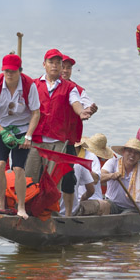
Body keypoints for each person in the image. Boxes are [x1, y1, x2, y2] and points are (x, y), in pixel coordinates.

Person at [25, 48, 95, 215]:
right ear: (44, 64)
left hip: (60, 141)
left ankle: (51, 215)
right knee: (29, 178)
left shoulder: (71, 88)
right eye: (52, 63)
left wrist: (82, 112)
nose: (57, 67)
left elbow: (76, 102)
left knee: (54, 183)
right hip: (36, 139)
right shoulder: (33, 84)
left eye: (59, 64)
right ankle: (27, 211)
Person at [0, 53, 41, 218]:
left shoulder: (29, 85)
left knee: (18, 168)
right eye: (6, 71)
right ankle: (1, 203)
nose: (9, 74)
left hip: (22, 130)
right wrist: (2, 132)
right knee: (0, 164)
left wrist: (28, 136)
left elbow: (36, 113)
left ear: (20, 71)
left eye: (13, 71)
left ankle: (21, 207)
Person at [78, 138, 140, 235]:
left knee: (123, 218)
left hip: (131, 208)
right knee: (101, 205)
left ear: (139, 156)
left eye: (136, 153)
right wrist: (112, 176)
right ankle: (76, 213)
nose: (132, 155)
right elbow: (99, 178)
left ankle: (109, 233)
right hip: (112, 203)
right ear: (124, 152)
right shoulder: (113, 162)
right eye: (129, 151)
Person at [70, 133, 113, 215]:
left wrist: (83, 166)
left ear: (79, 147)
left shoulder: (91, 157)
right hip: (74, 199)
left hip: (91, 198)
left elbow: (96, 179)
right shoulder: (69, 156)